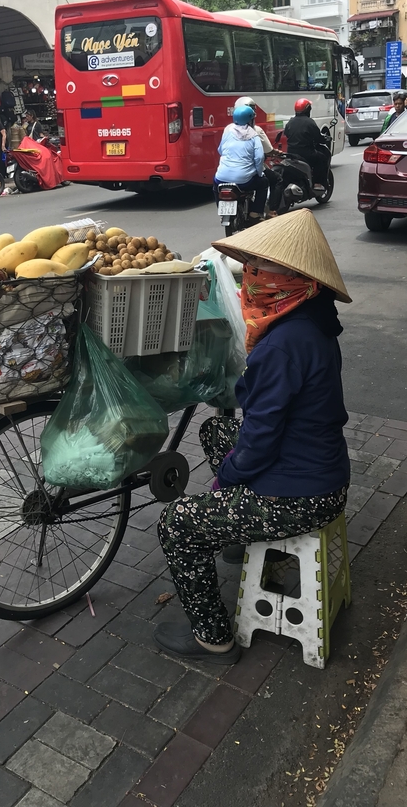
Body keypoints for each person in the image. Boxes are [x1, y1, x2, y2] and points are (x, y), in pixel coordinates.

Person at [154, 209, 352, 664]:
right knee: (217, 427)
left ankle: (212, 637)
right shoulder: (314, 321)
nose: (250, 282)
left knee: (177, 523)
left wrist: (228, 475)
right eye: (250, 271)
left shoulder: (283, 344)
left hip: (301, 494)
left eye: (260, 273)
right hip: (322, 471)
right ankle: (244, 539)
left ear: (290, 282)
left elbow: (260, 439)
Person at [214, 104, 267, 224]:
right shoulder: (254, 136)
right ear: (250, 120)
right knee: (263, 183)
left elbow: (220, 150)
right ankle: (255, 213)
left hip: (221, 178)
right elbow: (259, 158)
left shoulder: (228, 130)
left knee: (215, 187)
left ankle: (222, 211)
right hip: (244, 181)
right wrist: (259, 173)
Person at [283, 98, 330, 188]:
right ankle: (317, 183)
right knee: (322, 159)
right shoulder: (310, 122)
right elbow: (318, 137)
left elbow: (287, 134)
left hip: (291, 153)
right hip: (306, 153)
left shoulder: (290, 122)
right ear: (308, 110)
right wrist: (325, 139)